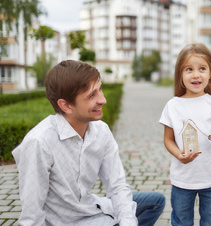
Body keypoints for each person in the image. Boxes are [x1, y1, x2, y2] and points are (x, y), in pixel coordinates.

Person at [12, 60, 165, 226]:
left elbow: (117, 186)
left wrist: (128, 222)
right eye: (92, 95)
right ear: (66, 105)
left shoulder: (101, 131)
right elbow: (32, 216)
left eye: (100, 89)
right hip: (65, 222)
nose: (103, 100)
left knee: (155, 202)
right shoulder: (39, 142)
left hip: (94, 210)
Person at [159, 43, 211, 226]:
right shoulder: (173, 105)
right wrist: (179, 154)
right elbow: (168, 140)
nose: (196, 74)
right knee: (181, 222)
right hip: (183, 179)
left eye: (202, 69)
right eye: (189, 69)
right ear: (180, 74)